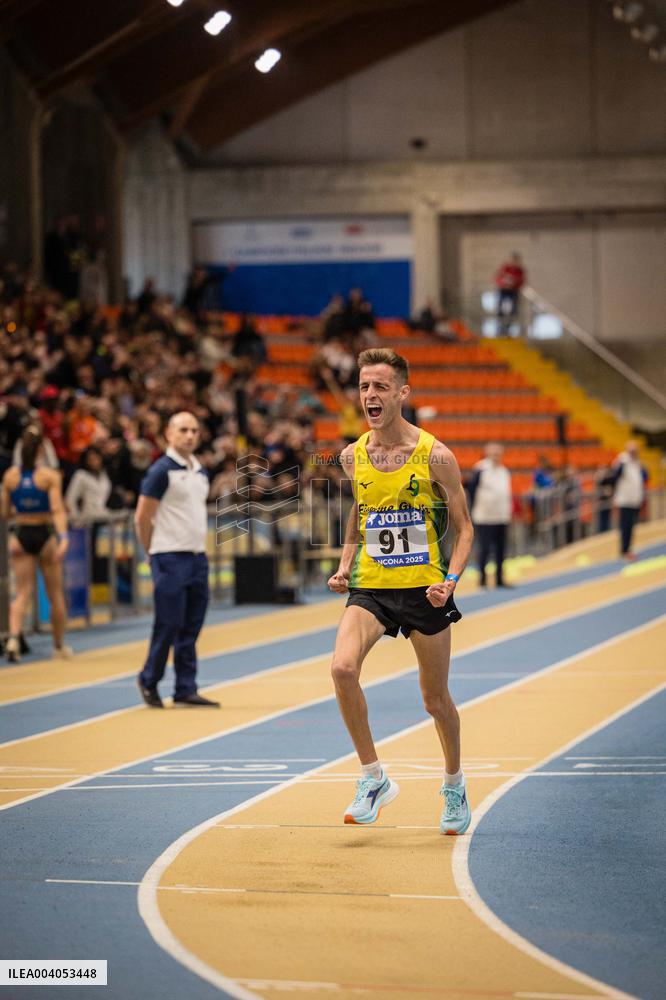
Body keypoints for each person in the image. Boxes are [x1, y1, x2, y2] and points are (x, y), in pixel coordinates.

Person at [327, 348, 474, 834]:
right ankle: (373, 778)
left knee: (435, 700)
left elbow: (464, 527)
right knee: (342, 668)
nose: (370, 395)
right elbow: (360, 510)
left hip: (424, 590)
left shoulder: (437, 456)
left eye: (380, 387)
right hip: (372, 587)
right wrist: (346, 563)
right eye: (364, 386)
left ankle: (454, 783)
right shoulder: (352, 456)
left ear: (402, 393)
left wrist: (449, 581)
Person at [134, 411, 219, 708]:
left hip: (197, 557)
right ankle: (148, 679)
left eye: (194, 430)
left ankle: (185, 687)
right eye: (183, 430)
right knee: (168, 623)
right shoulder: (161, 471)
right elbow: (142, 516)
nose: (190, 435)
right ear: (169, 434)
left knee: (192, 625)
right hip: (169, 556)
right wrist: (151, 550)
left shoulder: (200, 471)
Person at [1, 426, 72, 663]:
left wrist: (23, 509)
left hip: (20, 533)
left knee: (21, 593)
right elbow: (57, 508)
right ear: (42, 450)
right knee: (55, 594)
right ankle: (59, 645)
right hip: (44, 534)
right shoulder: (49, 476)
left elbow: (6, 512)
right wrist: (63, 537)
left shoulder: (10, 476)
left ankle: (13, 638)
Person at [468, 443, 513, 587]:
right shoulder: (480, 469)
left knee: (501, 550)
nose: (496, 457)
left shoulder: (504, 471)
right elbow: (471, 490)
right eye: (493, 454)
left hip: (501, 517)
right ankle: (482, 579)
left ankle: (499, 579)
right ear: (487, 454)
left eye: (498, 454)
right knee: (485, 549)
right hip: (485, 517)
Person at [611, 440, 648, 560]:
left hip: (634, 500)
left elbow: (645, 477)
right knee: (625, 526)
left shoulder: (637, 464)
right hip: (625, 500)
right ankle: (624, 550)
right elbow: (615, 476)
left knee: (631, 526)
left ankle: (628, 549)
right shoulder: (622, 462)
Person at [495, 252, 525, 335]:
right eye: (512, 259)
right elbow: (497, 279)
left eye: (515, 260)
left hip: (513, 291)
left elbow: (522, 281)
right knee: (500, 308)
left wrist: (514, 284)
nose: (514, 262)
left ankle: (508, 328)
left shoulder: (520, 271)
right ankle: (499, 327)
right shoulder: (505, 268)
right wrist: (504, 283)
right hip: (503, 290)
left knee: (513, 310)